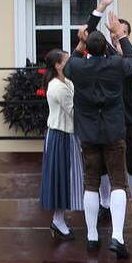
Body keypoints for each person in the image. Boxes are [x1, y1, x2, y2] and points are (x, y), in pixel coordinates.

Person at [64, 11, 132, 259]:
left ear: (88, 48)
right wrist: (120, 34)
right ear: (106, 48)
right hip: (113, 131)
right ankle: (117, 237)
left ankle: (92, 237)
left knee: (91, 183)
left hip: (88, 132)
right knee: (118, 182)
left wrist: (80, 43)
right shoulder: (116, 65)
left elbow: (68, 65)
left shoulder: (77, 66)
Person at [87, 0, 132, 228]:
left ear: (127, 35)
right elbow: (87, 35)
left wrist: (124, 48)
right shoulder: (104, 54)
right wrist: (101, 8)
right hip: (106, 117)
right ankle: (104, 204)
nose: (115, 35)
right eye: (113, 32)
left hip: (129, 116)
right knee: (103, 164)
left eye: (121, 32)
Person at [39, 48, 84, 240]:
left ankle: (58, 219)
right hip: (60, 136)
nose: (71, 63)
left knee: (65, 177)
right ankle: (57, 220)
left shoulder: (68, 82)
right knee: (61, 177)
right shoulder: (58, 87)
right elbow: (74, 112)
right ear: (58, 66)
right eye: (67, 61)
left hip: (66, 135)